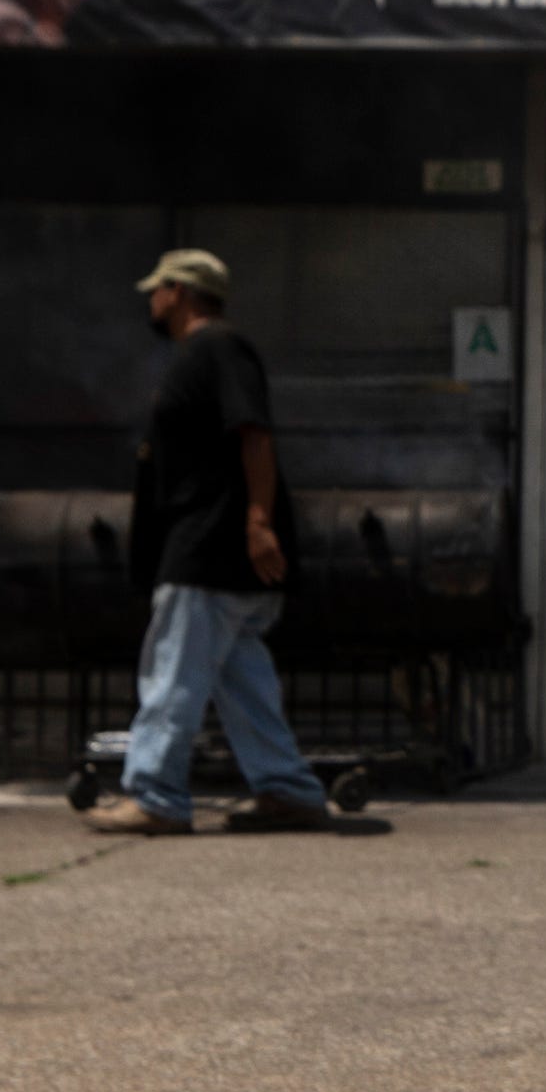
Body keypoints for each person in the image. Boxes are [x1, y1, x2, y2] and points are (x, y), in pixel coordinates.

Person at [99, 246, 333, 835]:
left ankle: (155, 794)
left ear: (178, 291)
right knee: (239, 675)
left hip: (210, 545)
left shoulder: (218, 348)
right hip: (213, 547)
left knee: (173, 671)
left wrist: (257, 521)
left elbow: (254, 434)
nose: (151, 300)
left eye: (157, 289)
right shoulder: (201, 355)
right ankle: (288, 789)